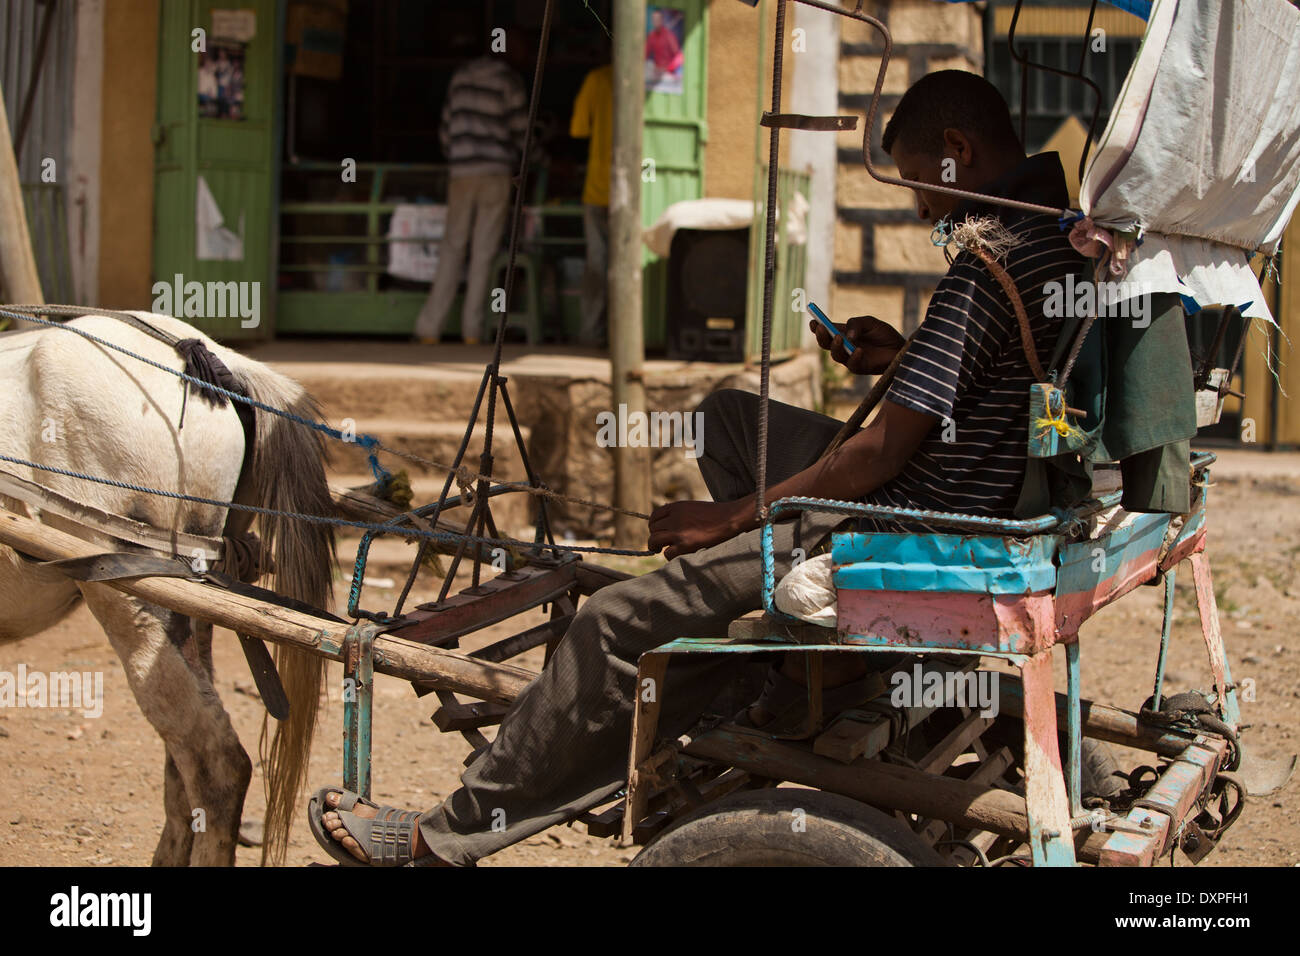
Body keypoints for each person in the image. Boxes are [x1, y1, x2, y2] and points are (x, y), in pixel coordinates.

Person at [309, 70, 1088, 866]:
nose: (920, 207)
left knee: (609, 626)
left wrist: (736, 516)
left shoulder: (985, 265)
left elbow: (880, 452)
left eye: (921, 182)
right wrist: (899, 355)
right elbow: (986, 380)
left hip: (906, 520)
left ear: (958, 150)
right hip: (969, 486)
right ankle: (764, 641)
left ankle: (443, 840)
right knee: (724, 415)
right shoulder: (1053, 239)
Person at [413, 46, 529, 346]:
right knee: (483, 252)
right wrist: (536, 158)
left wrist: (458, 158)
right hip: (494, 172)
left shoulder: (461, 77)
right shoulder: (508, 81)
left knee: (452, 247)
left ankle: (429, 328)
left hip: (461, 172)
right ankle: (472, 331)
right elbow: (522, 131)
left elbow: (446, 129)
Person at [569, 64, 614, 347]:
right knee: (628, 266)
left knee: (597, 264)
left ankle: (591, 333)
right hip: (636, 191)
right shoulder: (647, 77)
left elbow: (578, 129)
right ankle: (621, 335)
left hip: (598, 188)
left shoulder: (596, 79)